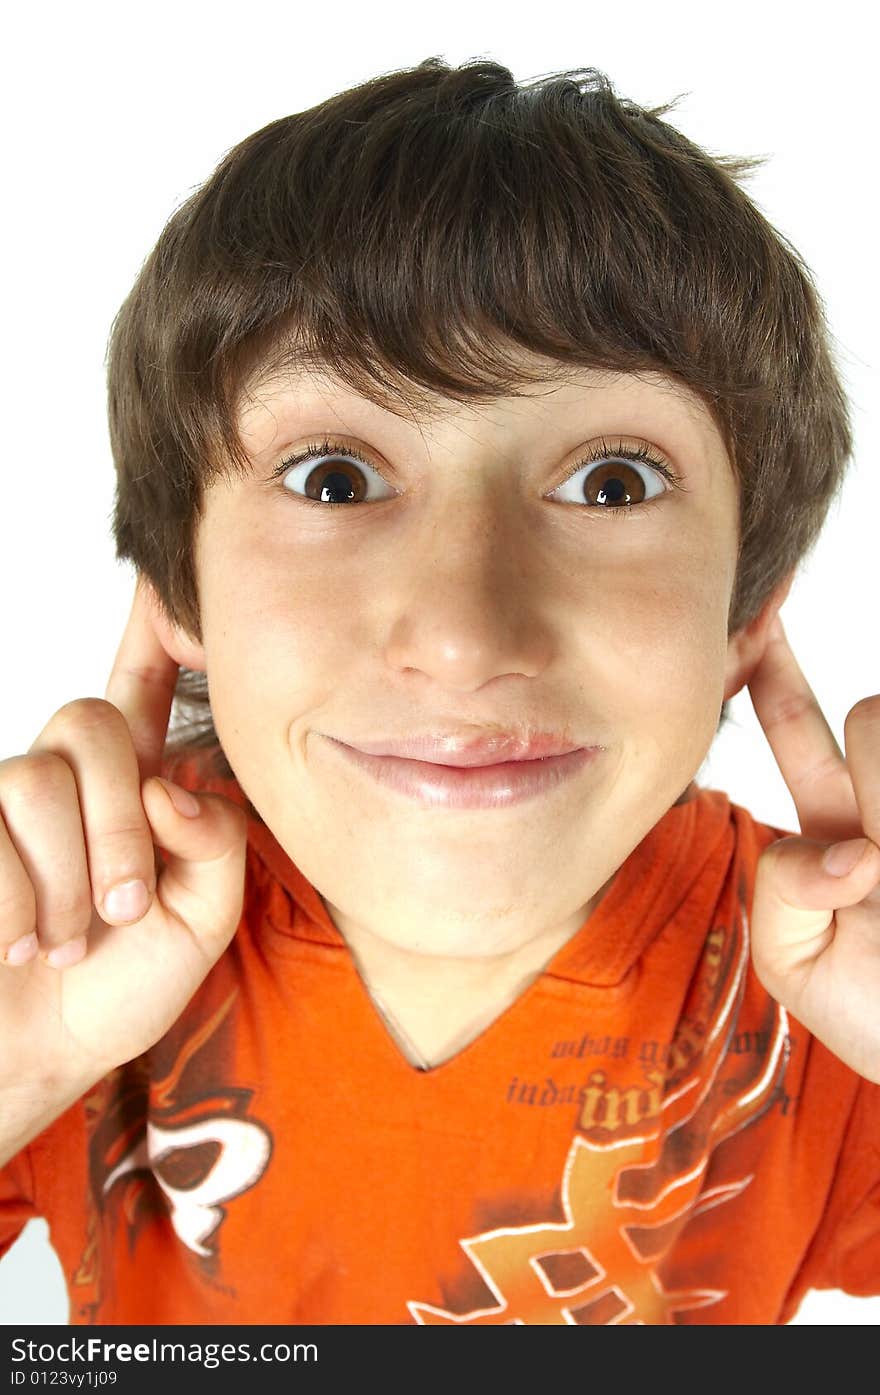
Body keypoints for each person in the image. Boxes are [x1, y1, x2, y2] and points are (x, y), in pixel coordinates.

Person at [1, 55, 878, 1327]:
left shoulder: (836, 1006)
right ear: (174, 592)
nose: (465, 638)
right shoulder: (51, 963)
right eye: (336, 480)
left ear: (746, 612)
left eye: (614, 483)